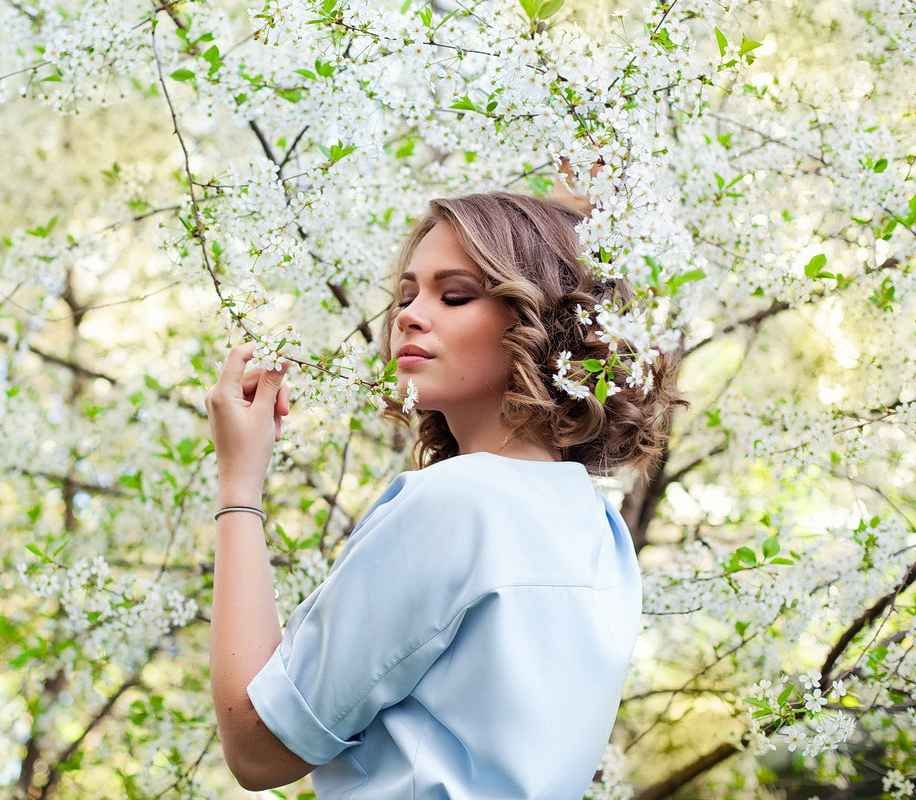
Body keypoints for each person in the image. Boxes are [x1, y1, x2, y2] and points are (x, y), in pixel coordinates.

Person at [204, 191, 682, 798]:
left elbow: (258, 748)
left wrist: (239, 484)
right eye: (406, 297)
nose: (408, 315)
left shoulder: (457, 504)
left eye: (454, 295)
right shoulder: (596, 526)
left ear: (543, 324)